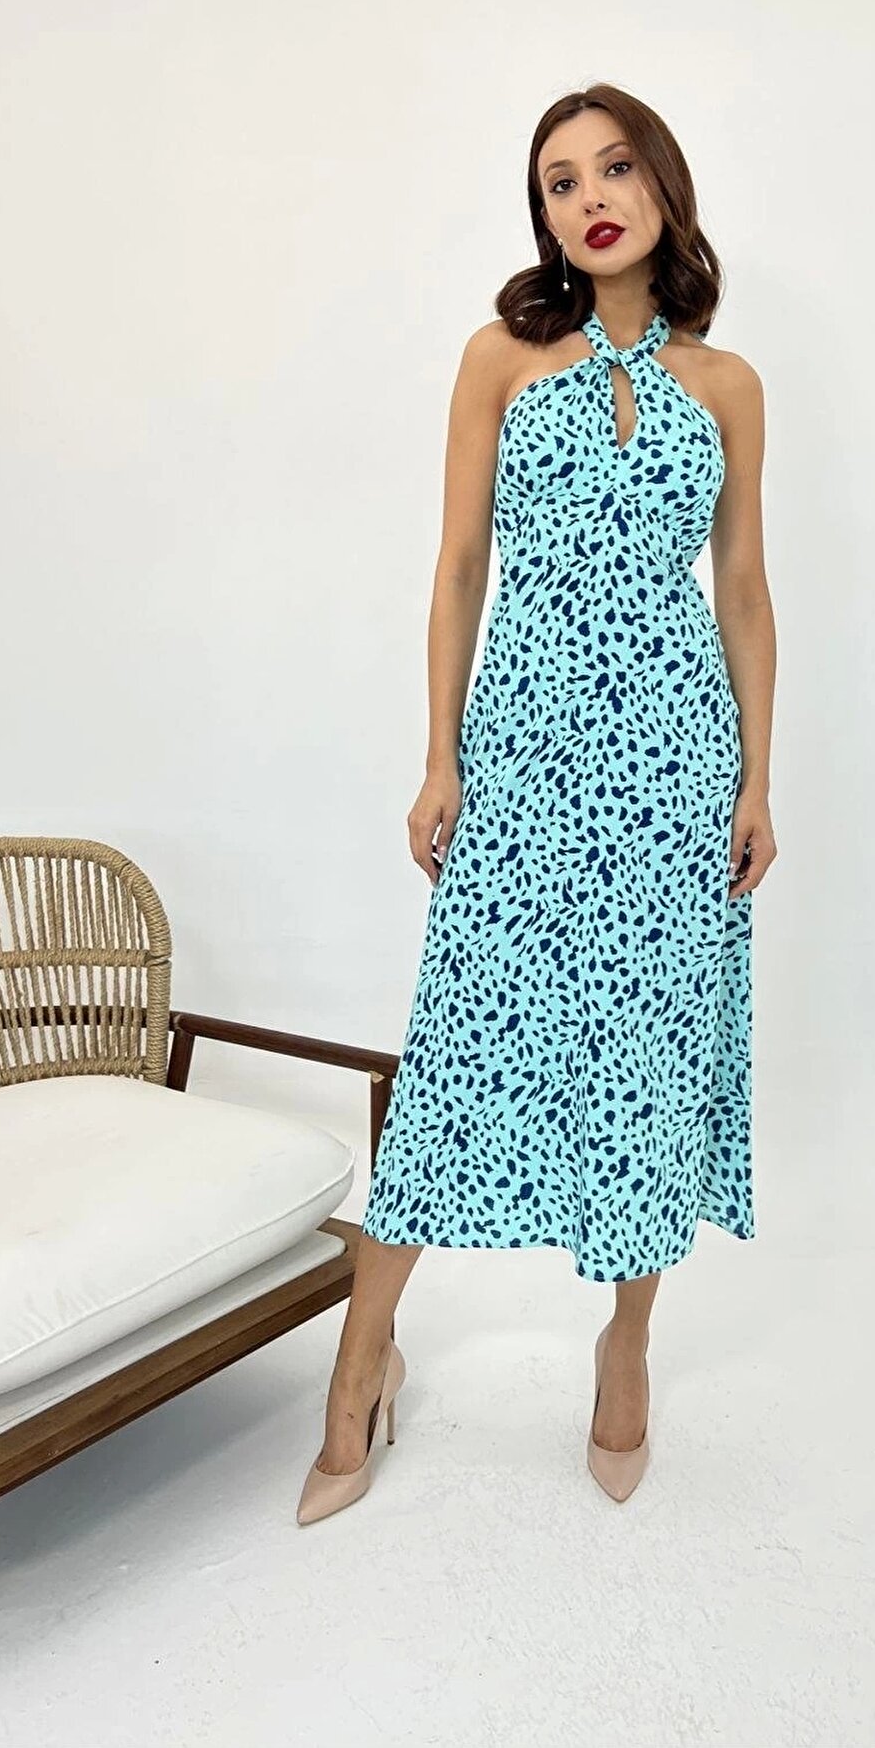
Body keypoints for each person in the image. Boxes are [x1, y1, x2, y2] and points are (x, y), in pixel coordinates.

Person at [297, 82, 778, 1524]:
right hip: (522, 756)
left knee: (649, 1051)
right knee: (459, 1046)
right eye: (562, 182)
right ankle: (363, 1355)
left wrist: (759, 777)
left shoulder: (728, 385)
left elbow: (744, 590)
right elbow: (459, 569)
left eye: (615, 167)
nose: (591, 198)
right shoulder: (500, 358)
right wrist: (440, 757)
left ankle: (625, 1344)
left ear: (663, 187)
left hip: (676, 765)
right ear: (545, 217)